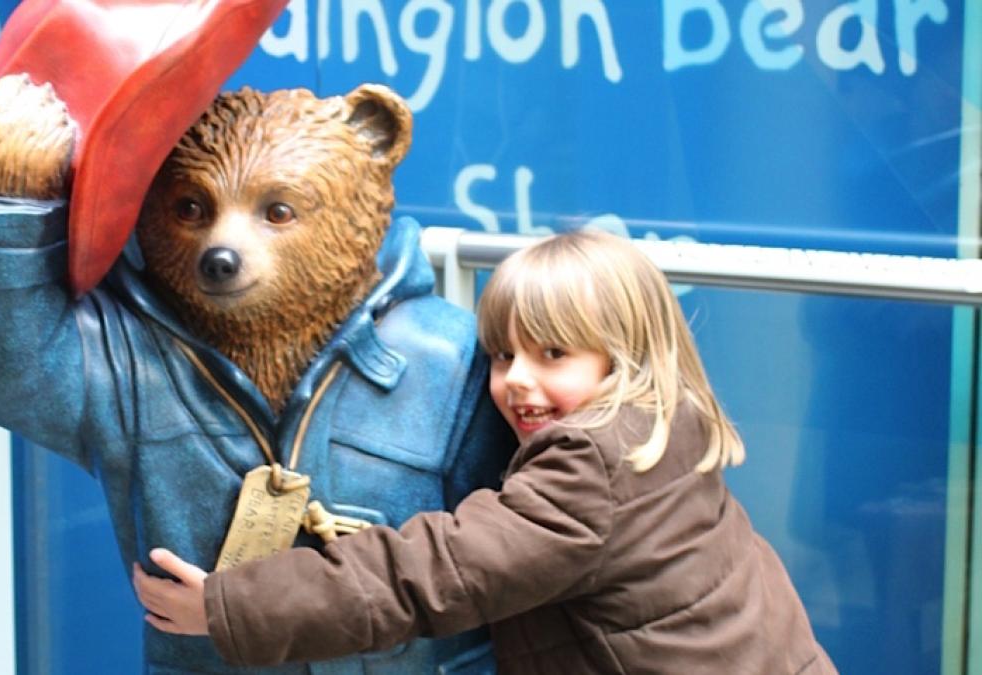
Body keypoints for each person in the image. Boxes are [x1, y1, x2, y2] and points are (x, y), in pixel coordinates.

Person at [131, 229, 837, 674]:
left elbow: (433, 571)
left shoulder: (588, 469)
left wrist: (231, 607)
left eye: (553, 352)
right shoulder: (664, 421)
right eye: (502, 354)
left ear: (625, 357)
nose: (517, 380)